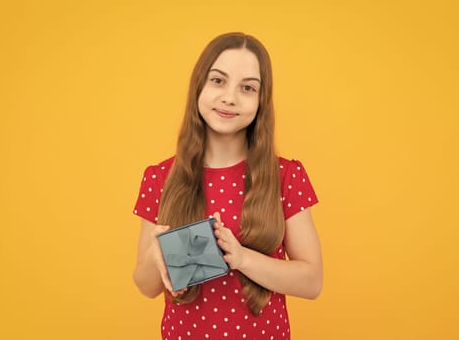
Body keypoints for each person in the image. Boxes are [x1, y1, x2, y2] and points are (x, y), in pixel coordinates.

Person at [132, 32, 323, 340]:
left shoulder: (285, 176)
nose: (230, 97)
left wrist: (242, 257)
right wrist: (158, 258)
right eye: (218, 81)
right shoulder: (160, 177)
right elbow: (145, 286)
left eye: (247, 87)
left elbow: (312, 282)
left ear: (261, 100)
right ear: (199, 86)